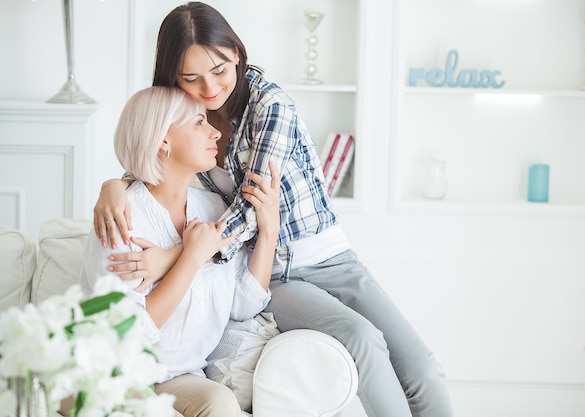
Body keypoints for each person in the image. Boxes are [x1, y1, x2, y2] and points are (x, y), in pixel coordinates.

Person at [93, 3, 453, 416]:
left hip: (331, 256)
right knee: (361, 338)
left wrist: (174, 258)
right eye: (191, 78)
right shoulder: (187, 116)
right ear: (173, 78)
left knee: (424, 371)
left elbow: (251, 205)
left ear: (238, 54)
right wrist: (115, 185)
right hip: (278, 273)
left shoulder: (269, 104)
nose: (210, 88)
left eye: (221, 69)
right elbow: (150, 152)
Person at [80, 86, 280, 417]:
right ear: (163, 141)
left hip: (180, 376)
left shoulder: (215, 207)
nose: (216, 131)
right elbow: (126, 333)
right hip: (116, 374)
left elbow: (243, 305)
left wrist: (269, 230)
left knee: (221, 404)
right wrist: (190, 258)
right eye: (200, 122)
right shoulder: (121, 216)